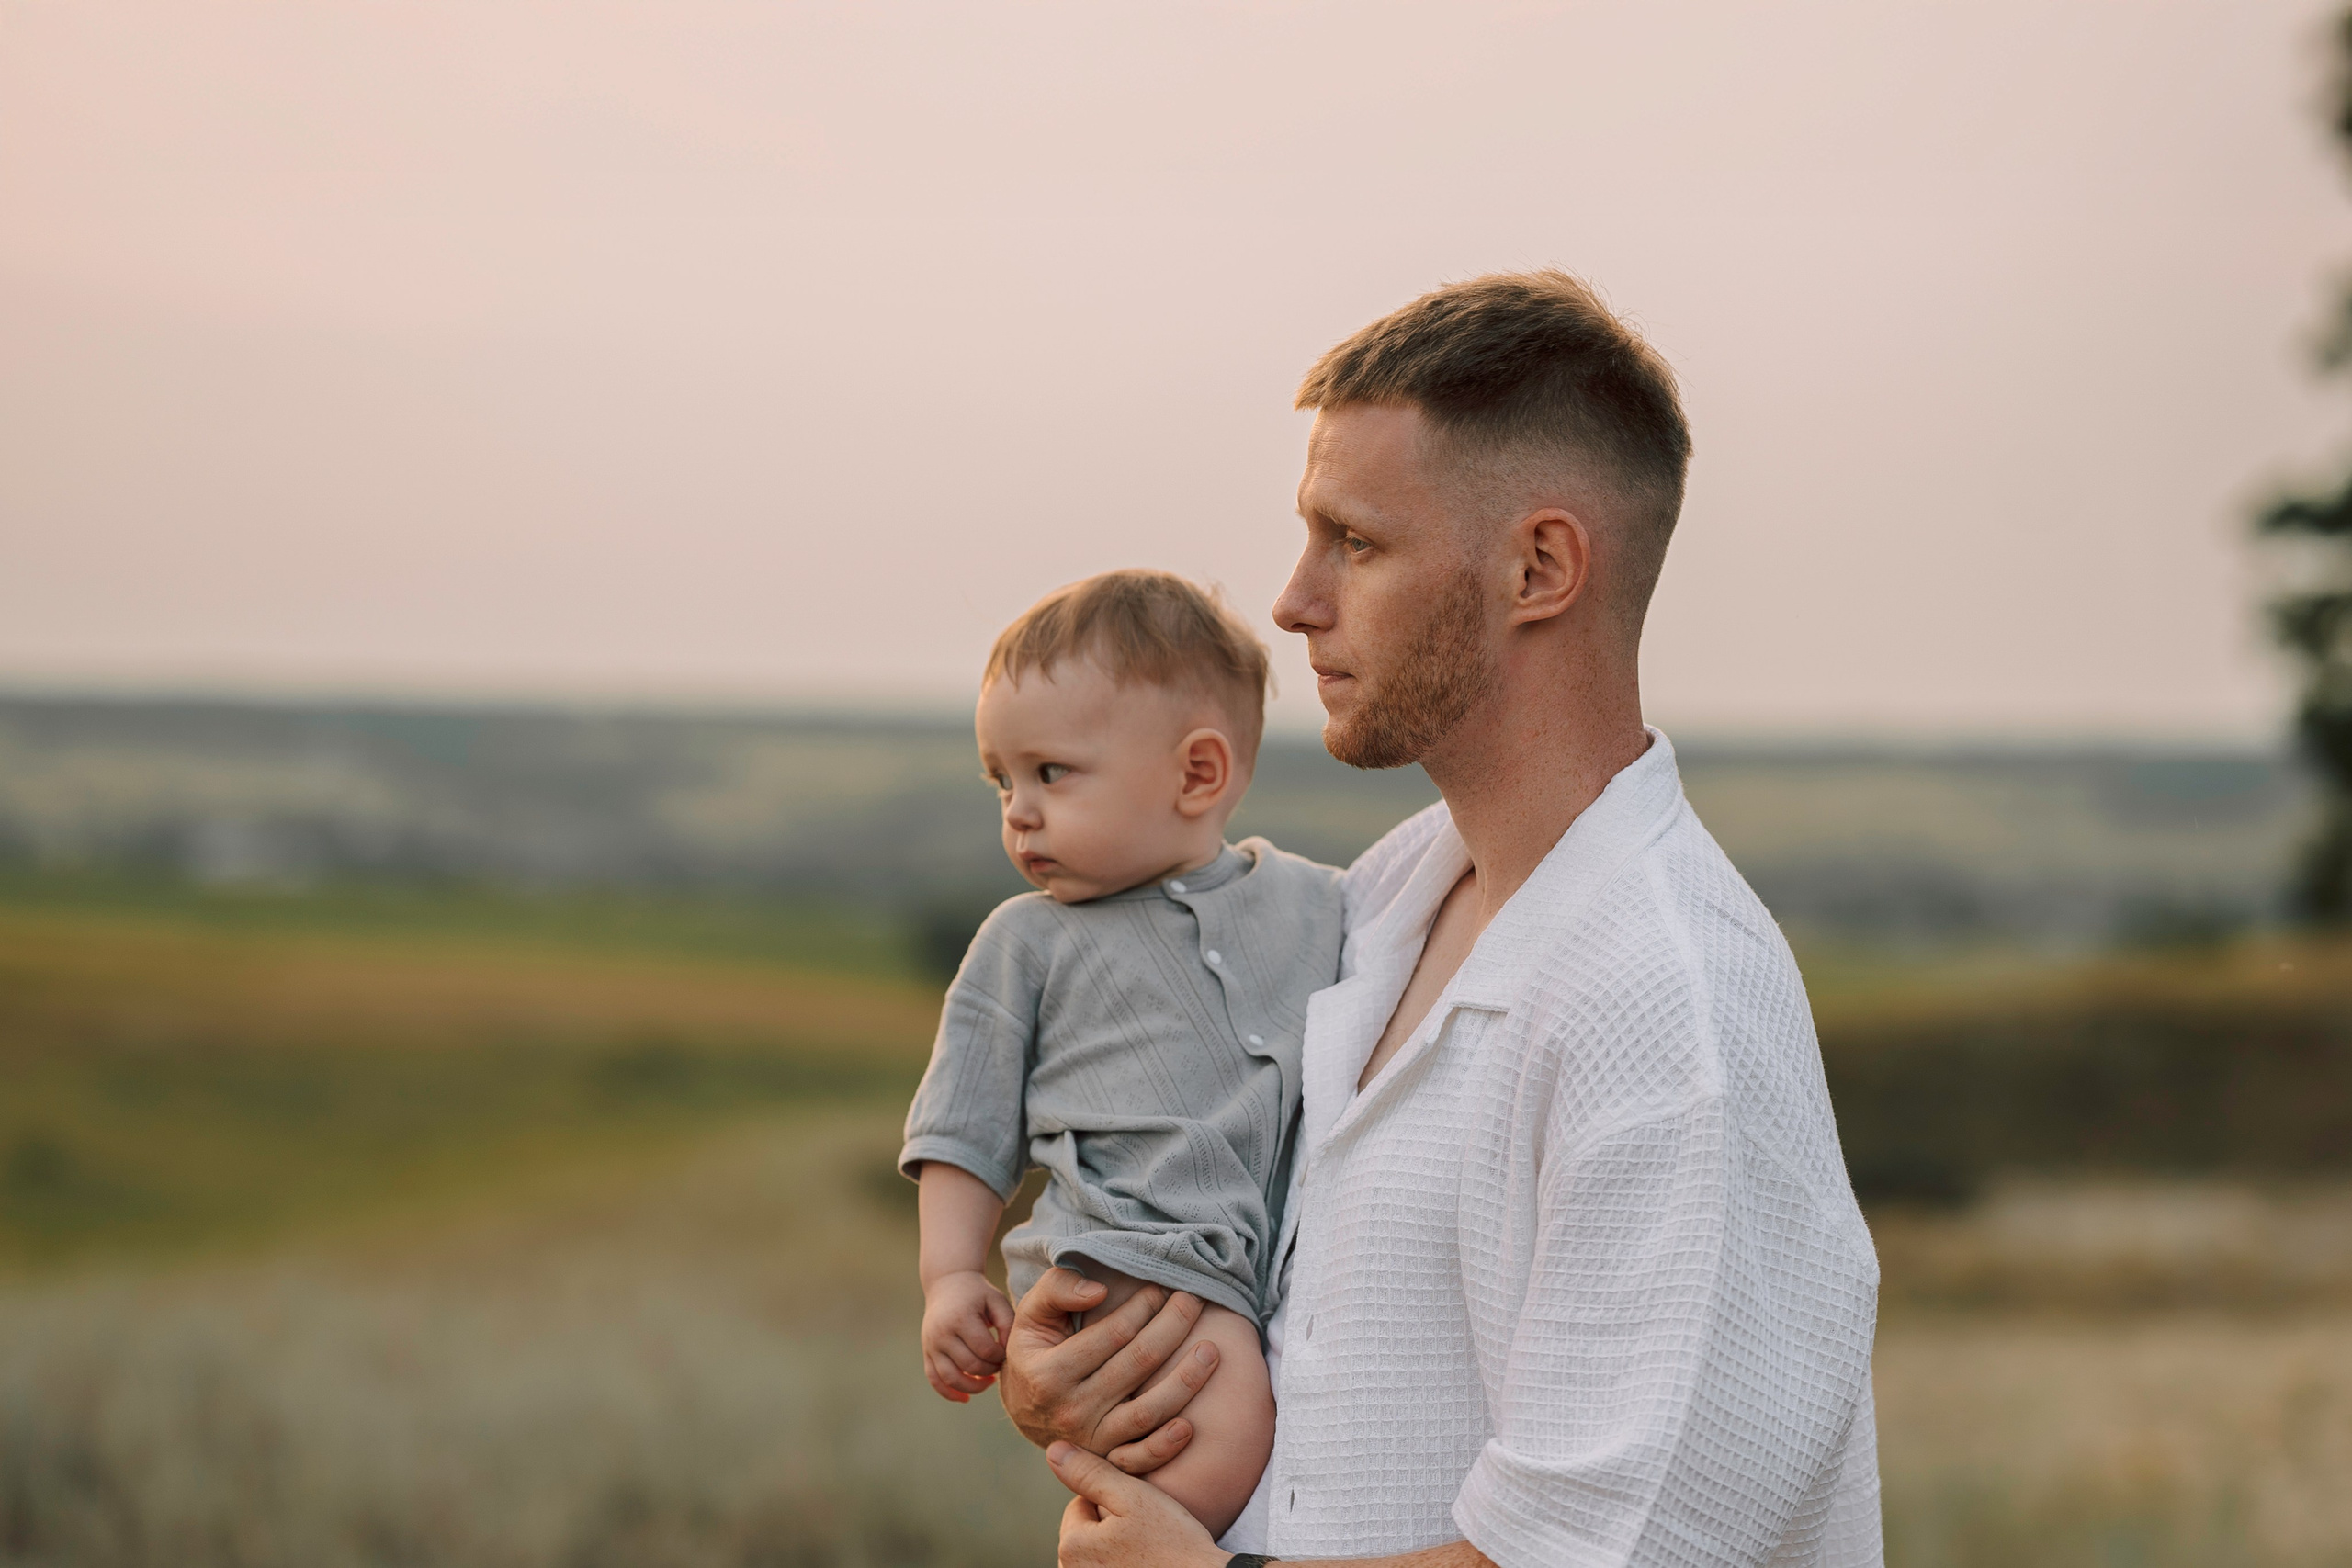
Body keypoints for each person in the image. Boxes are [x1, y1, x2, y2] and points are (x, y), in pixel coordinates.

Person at [994, 271, 1885, 1568]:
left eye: (1354, 541)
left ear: (1539, 566)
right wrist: (1069, 1363)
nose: (1294, 599)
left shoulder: (1668, 1017)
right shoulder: (1384, 897)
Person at [899, 569, 1346, 1539]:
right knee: (1219, 1437)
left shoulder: (1320, 902)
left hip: (1246, 1267)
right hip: (1120, 1263)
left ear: (1197, 774)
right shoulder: (1026, 942)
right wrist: (949, 1278)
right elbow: (962, 1129)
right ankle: (1124, 1536)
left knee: (1261, 1437)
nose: (1017, 809)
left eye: (1050, 773)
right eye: (1001, 779)